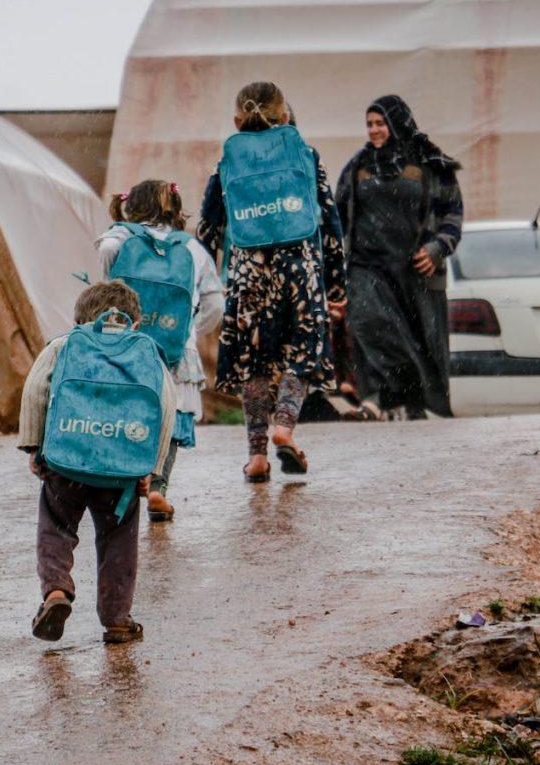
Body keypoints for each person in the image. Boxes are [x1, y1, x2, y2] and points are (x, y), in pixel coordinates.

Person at [197, 82, 347, 481]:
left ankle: (257, 455)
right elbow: (330, 223)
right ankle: (285, 425)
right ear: (285, 117)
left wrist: (201, 280)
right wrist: (335, 285)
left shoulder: (225, 165)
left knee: (255, 360)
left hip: (248, 274)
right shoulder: (305, 155)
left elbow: (209, 229)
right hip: (300, 268)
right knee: (303, 350)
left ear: (236, 121)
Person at [19, 280, 176, 645]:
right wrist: (151, 469)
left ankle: (56, 591)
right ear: (135, 323)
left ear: (78, 319)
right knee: (118, 541)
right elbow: (165, 410)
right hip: (121, 473)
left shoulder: (65, 344)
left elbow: (36, 391)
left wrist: (34, 446)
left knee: (56, 527)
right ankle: (117, 620)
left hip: (66, 464)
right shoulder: (147, 353)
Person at [96, 180, 224, 523]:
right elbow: (215, 303)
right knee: (172, 418)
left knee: (129, 412)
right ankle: (157, 487)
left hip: (127, 345)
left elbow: (106, 250)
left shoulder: (122, 238)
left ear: (132, 207)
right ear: (175, 208)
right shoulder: (192, 249)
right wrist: (190, 331)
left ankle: (125, 483)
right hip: (175, 350)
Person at [335, 95, 463, 420]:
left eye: (381, 123)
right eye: (369, 124)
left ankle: (418, 401)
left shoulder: (429, 164)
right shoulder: (358, 166)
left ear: (398, 123)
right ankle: (379, 398)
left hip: (415, 268)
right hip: (367, 266)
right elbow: (336, 215)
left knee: (422, 339)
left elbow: (452, 213)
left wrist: (437, 249)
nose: (374, 130)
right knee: (369, 323)